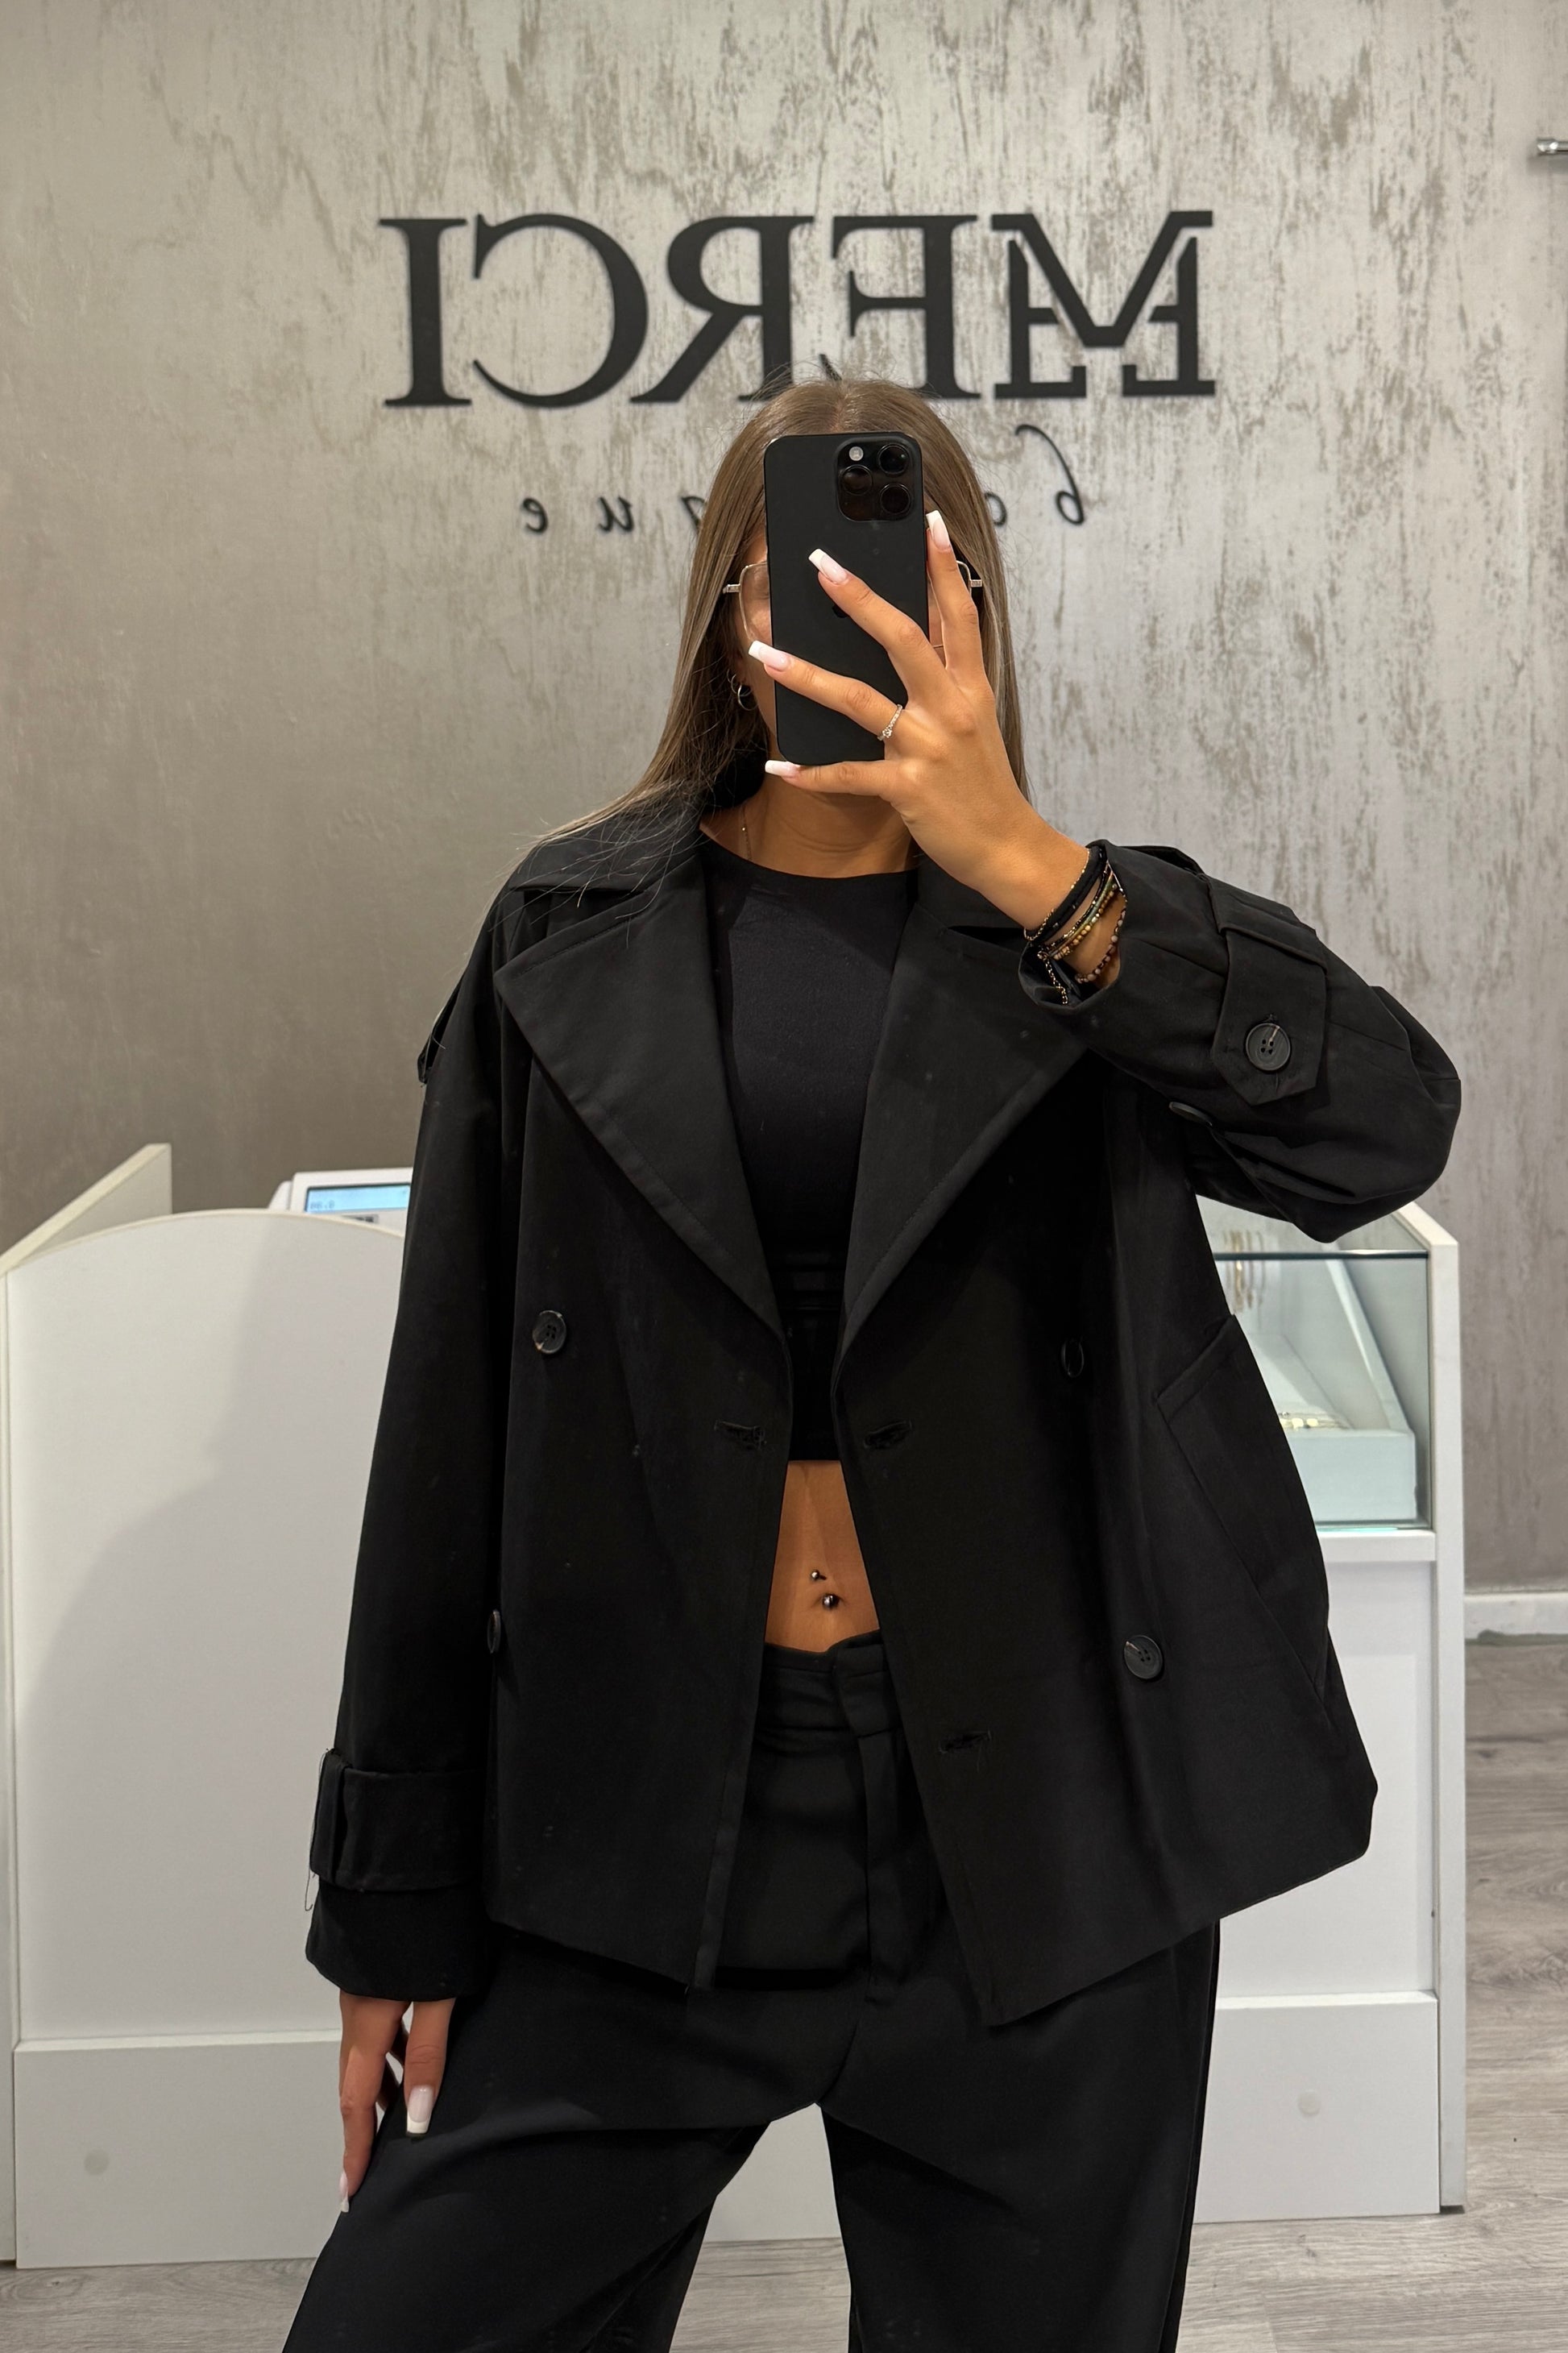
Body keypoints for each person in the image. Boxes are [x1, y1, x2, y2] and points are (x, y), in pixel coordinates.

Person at [284, 376, 1459, 2353]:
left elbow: (1386, 1126)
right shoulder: (561, 931)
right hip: (642, 1814)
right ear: (726, 606)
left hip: (1031, 1827)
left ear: (974, 606)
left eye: (906, 571)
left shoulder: (1085, 933)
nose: (844, 606)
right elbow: (445, 1430)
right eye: (795, 569)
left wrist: (1029, 862)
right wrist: (390, 1897)